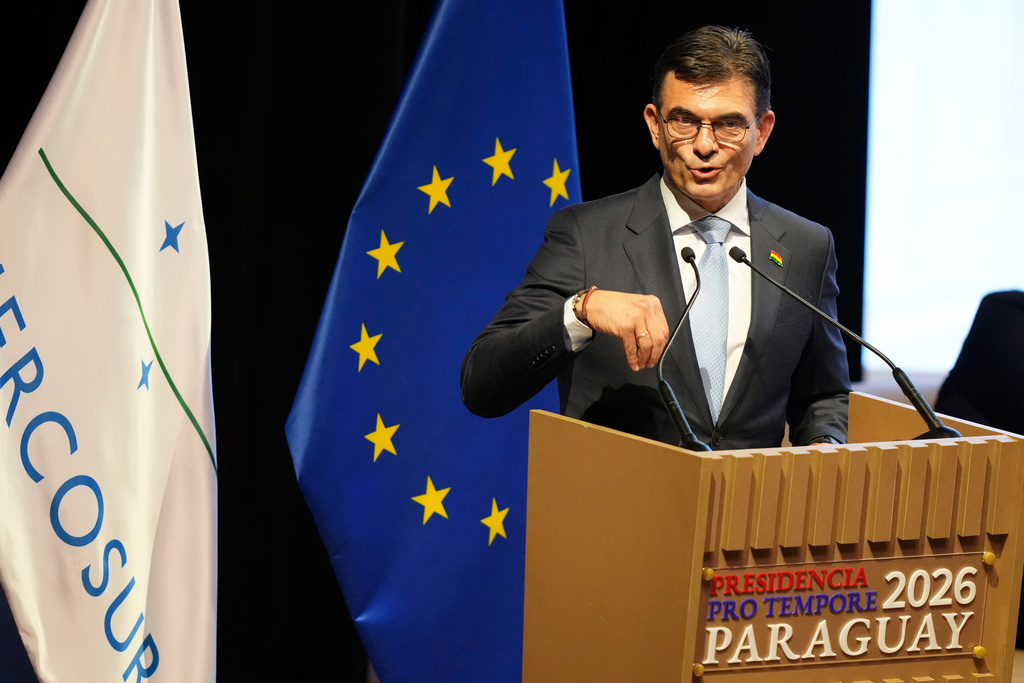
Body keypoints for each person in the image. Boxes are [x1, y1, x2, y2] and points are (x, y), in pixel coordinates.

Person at [460, 25, 850, 450]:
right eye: (684, 120)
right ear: (654, 125)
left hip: (747, 511)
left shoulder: (806, 246)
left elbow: (820, 394)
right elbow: (482, 385)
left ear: (763, 131)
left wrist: (825, 448)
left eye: (729, 124)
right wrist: (580, 310)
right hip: (624, 509)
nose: (705, 145)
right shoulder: (586, 236)